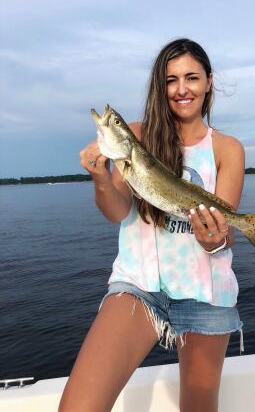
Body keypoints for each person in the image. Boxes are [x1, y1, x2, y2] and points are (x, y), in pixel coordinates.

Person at [59, 38, 245, 412]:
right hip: (138, 284)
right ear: (160, 87)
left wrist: (213, 239)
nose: (181, 89)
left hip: (205, 290)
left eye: (191, 78)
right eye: (170, 80)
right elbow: (116, 211)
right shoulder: (137, 135)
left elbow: (222, 241)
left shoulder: (228, 149)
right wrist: (99, 176)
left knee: (199, 406)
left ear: (209, 82)